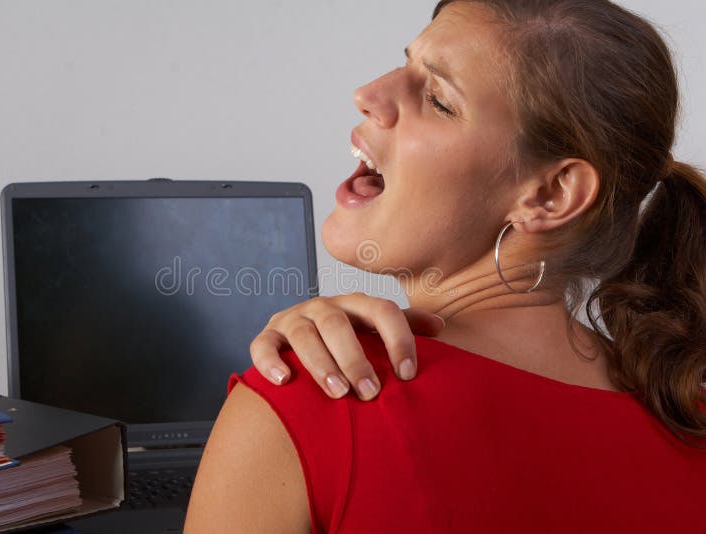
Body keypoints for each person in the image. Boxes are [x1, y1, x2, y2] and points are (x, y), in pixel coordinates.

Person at [184, 1, 706, 532]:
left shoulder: (314, 397)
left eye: (437, 99)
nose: (368, 94)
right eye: (405, 63)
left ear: (550, 194)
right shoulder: (689, 416)